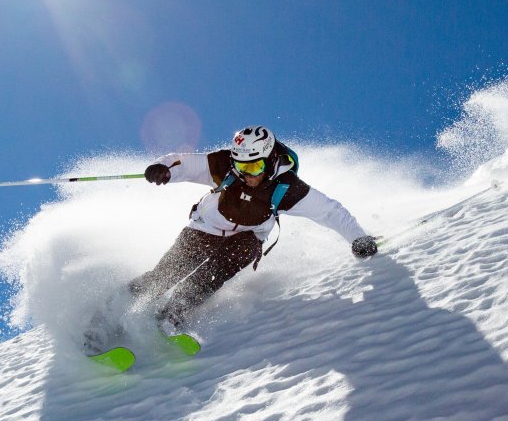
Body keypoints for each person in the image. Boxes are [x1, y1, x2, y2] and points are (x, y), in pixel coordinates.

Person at [126, 125, 378, 335]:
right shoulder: (226, 164)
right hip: (206, 226)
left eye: (253, 168)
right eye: (241, 167)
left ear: (270, 160)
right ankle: (122, 305)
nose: (246, 175)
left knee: (217, 270)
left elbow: (330, 211)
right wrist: (163, 168)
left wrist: (358, 238)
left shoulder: (287, 187)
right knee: (169, 272)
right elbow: (184, 163)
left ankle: (173, 315)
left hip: (249, 235)